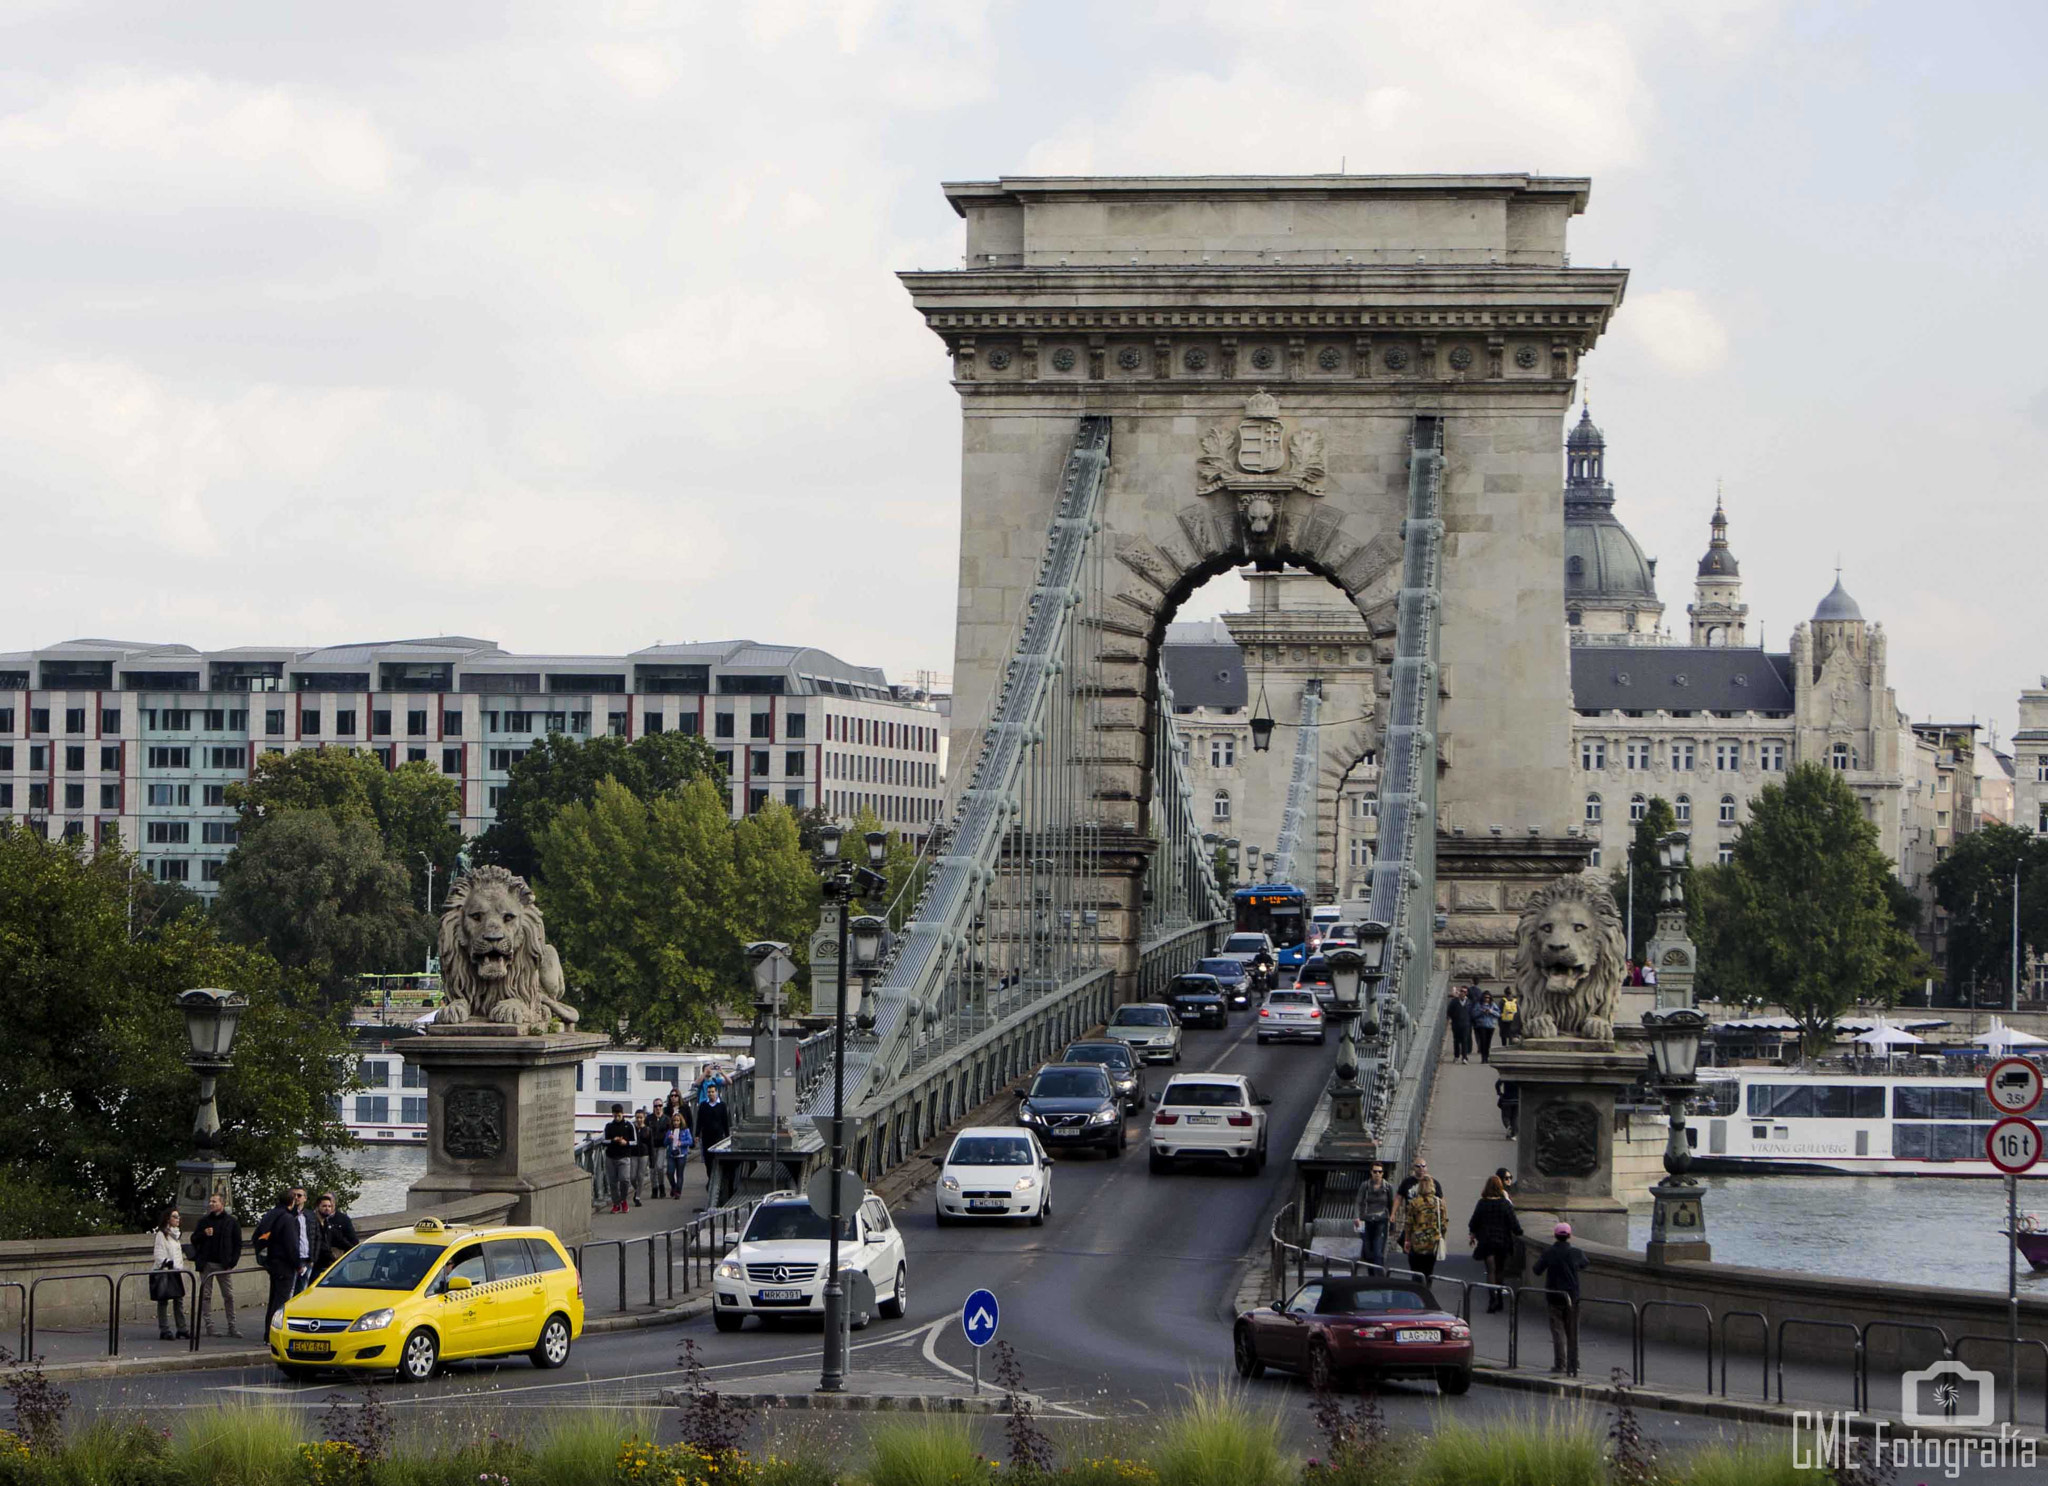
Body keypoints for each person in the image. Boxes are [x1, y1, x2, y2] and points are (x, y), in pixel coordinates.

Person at [1533, 1221, 1590, 1377]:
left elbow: (1536, 1270)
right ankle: (1574, 1364)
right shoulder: (1576, 1252)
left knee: (1558, 1331)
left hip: (1554, 1296)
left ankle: (1560, 1364)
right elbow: (1585, 1264)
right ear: (1570, 1236)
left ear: (1555, 1236)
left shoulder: (1549, 1252)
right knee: (1573, 1331)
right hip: (1572, 1297)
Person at [254, 1187, 315, 1326]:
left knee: (274, 1299)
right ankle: (276, 1330)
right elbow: (291, 1245)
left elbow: (258, 1237)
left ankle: (268, 1332)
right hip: (285, 1264)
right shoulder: (287, 1218)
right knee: (282, 1300)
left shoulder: (271, 1214)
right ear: (292, 1202)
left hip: (273, 1262)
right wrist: (298, 1266)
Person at [189, 1191, 243, 1338]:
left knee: (228, 1295)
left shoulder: (231, 1221)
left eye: (214, 1202)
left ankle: (232, 1325)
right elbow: (193, 1239)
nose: (211, 1204)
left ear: (222, 1204)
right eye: (210, 1201)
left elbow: (238, 1243)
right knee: (206, 1295)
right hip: (206, 1263)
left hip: (223, 1264)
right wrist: (203, 1234)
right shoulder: (204, 1221)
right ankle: (209, 1325)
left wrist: (232, 1261)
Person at [1466, 1175, 1523, 1310]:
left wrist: (1473, 1234)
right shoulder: (1504, 1204)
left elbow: (1474, 1222)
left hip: (1486, 1240)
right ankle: (1500, 1298)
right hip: (1502, 1240)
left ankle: (1492, 1300)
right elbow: (1514, 1223)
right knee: (1500, 1270)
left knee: (1490, 1270)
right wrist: (1519, 1232)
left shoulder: (1482, 1203)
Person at [1398, 1166, 1448, 1283]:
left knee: (1416, 1272)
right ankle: (1427, 1291)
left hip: (1417, 1242)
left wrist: (1407, 1240)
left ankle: (1417, 1294)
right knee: (1429, 1271)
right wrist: (1443, 1239)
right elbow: (1444, 1224)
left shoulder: (1414, 1203)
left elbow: (1409, 1224)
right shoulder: (1439, 1203)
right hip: (1433, 1242)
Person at [149, 1206, 189, 1340]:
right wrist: (167, 1263)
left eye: (179, 1217)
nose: (178, 1219)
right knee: (163, 1300)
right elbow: (159, 1254)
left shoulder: (176, 1235)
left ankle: (181, 1328)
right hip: (166, 1270)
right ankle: (164, 1329)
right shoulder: (162, 1234)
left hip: (176, 1271)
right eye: (175, 1217)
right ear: (168, 1218)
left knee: (179, 1300)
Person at [1353, 1161, 1394, 1273]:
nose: (1377, 1174)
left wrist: (1392, 1222)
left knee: (1378, 1250)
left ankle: (1380, 1277)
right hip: (1366, 1220)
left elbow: (1391, 1204)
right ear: (1371, 1172)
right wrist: (1356, 1217)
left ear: (1383, 1173)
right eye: (1375, 1171)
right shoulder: (1365, 1186)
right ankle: (1371, 1276)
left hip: (1381, 1221)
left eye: (1380, 1172)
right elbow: (1358, 1202)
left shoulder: (1387, 1187)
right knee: (1368, 1251)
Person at [313, 1194, 359, 1276]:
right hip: (317, 1263)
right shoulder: (312, 1222)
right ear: (317, 1206)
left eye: (329, 1206)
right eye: (324, 1206)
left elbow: (342, 1240)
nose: (327, 1208)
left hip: (334, 1262)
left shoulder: (331, 1224)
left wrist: (355, 1251)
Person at [603, 1104, 636, 1214]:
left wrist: (625, 1143)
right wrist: (613, 1140)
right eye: (615, 1113)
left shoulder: (629, 1125)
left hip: (624, 1156)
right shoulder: (609, 1126)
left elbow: (634, 1141)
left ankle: (623, 1199)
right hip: (611, 1157)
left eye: (619, 1113)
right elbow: (604, 1141)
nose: (617, 1115)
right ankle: (616, 1203)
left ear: (622, 1113)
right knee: (612, 1183)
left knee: (624, 1180)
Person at [666, 1116, 695, 1198]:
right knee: (670, 1172)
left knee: (679, 1173)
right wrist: (669, 1139)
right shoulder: (670, 1131)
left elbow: (690, 1141)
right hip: (671, 1154)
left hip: (681, 1154)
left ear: (681, 1121)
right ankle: (674, 1186)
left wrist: (681, 1143)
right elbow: (665, 1143)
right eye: (674, 1121)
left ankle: (678, 1191)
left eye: (677, 1121)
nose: (676, 1122)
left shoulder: (685, 1130)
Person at [645, 1104, 670, 1200]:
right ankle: (654, 1188)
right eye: (656, 1106)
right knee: (652, 1169)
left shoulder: (666, 1119)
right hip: (651, 1146)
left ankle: (661, 1186)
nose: (658, 1108)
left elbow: (669, 1131)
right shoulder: (649, 1118)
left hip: (662, 1146)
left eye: (660, 1105)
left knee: (660, 1167)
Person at [1470, 991, 1500, 1064]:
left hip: (1490, 1025)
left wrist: (1491, 1011)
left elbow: (1498, 1014)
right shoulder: (1479, 1005)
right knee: (1483, 1041)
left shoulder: (1493, 1005)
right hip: (1481, 1025)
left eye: (1488, 998)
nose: (1487, 999)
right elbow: (1474, 1014)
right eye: (1486, 997)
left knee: (1488, 1042)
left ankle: (1487, 1056)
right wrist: (1481, 1012)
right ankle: (1483, 1058)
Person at [1445, 987, 1473, 1063]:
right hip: (1456, 1024)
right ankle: (1456, 1056)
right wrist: (1451, 1018)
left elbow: (1471, 1013)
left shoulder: (1469, 1002)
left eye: (1464, 992)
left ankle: (1464, 1057)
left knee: (1464, 1040)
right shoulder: (1454, 1002)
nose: (1462, 993)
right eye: (1461, 991)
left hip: (1465, 1024)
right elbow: (1449, 1011)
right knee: (1456, 1041)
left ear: (1466, 993)